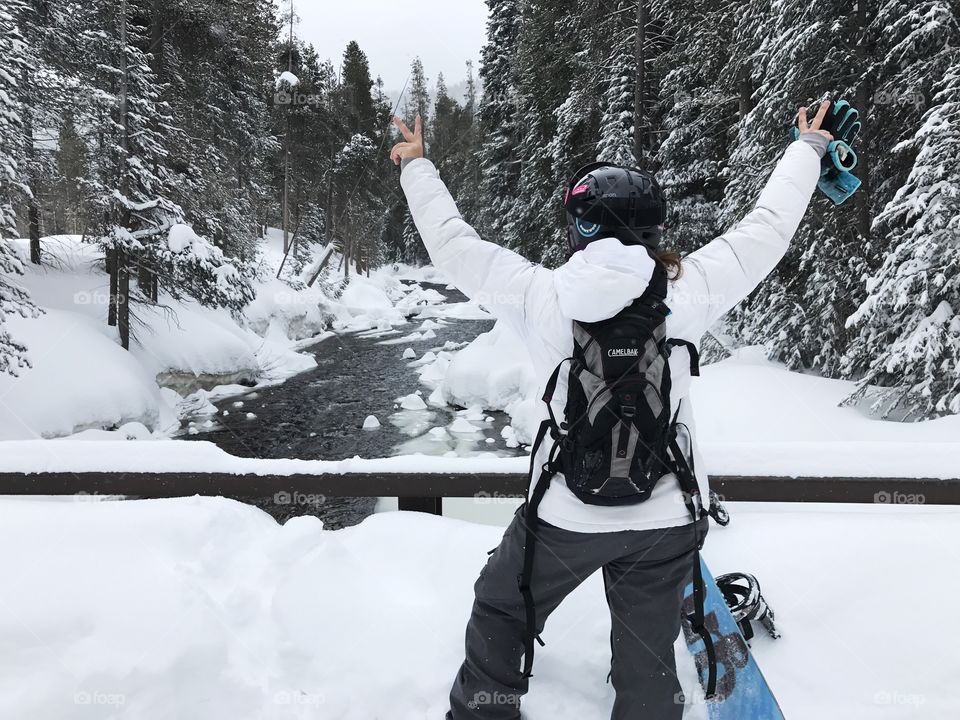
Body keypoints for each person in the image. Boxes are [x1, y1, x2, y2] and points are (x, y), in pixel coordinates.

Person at [390, 102, 834, 720]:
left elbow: (453, 244)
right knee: (647, 652)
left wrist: (417, 166)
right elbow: (766, 230)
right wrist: (806, 149)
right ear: (652, 229)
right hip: (665, 518)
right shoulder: (690, 290)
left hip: (565, 514)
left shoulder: (538, 294)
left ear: (581, 229)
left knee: (502, 607)